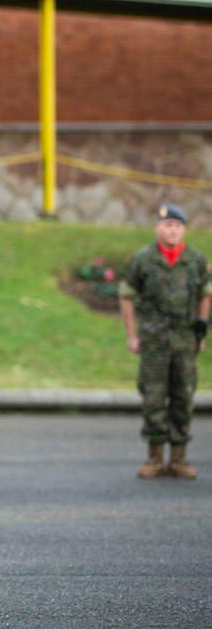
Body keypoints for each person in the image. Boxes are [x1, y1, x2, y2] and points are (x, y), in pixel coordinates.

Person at [118, 203, 209, 480]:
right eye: (167, 225)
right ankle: (155, 457)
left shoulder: (195, 259)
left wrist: (201, 327)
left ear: (183, 229)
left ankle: (179, 458)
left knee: (183, 397)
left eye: (177, 225)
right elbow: (126, 295)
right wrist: (132, 335)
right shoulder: (143, 259)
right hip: (154, 341)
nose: (172, 230)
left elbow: (206, 292)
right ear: (158, 228)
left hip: (184, 340)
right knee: (154, 398)